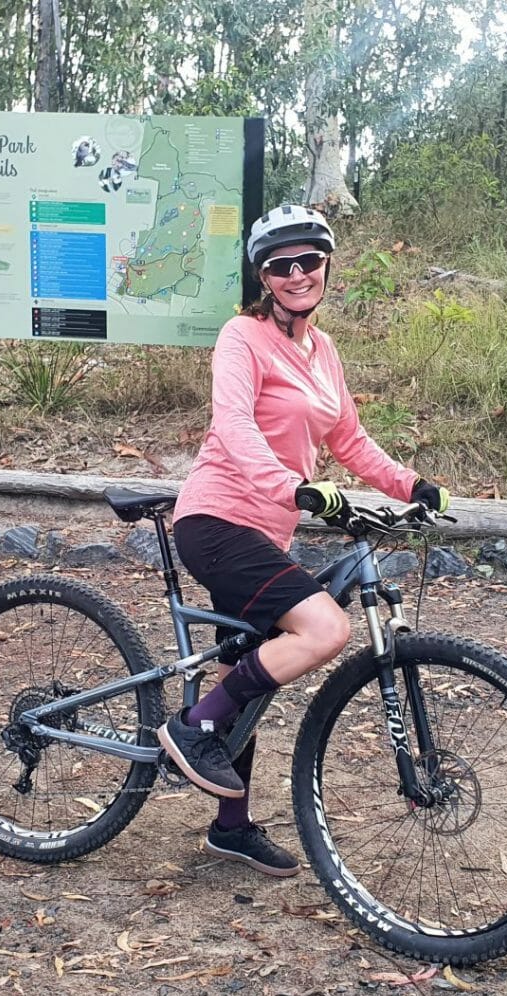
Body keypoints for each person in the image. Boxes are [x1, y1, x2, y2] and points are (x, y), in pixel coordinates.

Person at [157, 204, 449, 877]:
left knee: (249, 666)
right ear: (263, 276)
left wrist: (411, 484)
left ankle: (231, 827)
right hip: (218, 521)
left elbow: (345, 438)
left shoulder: (323, 352)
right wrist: (291, 486)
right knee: (323, 630)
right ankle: (194, 726)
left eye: (307, 260)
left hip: (267, 530)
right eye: (279, 264)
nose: (295, 273)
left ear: (324, 267)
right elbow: (232, 424)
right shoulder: (243, 336)